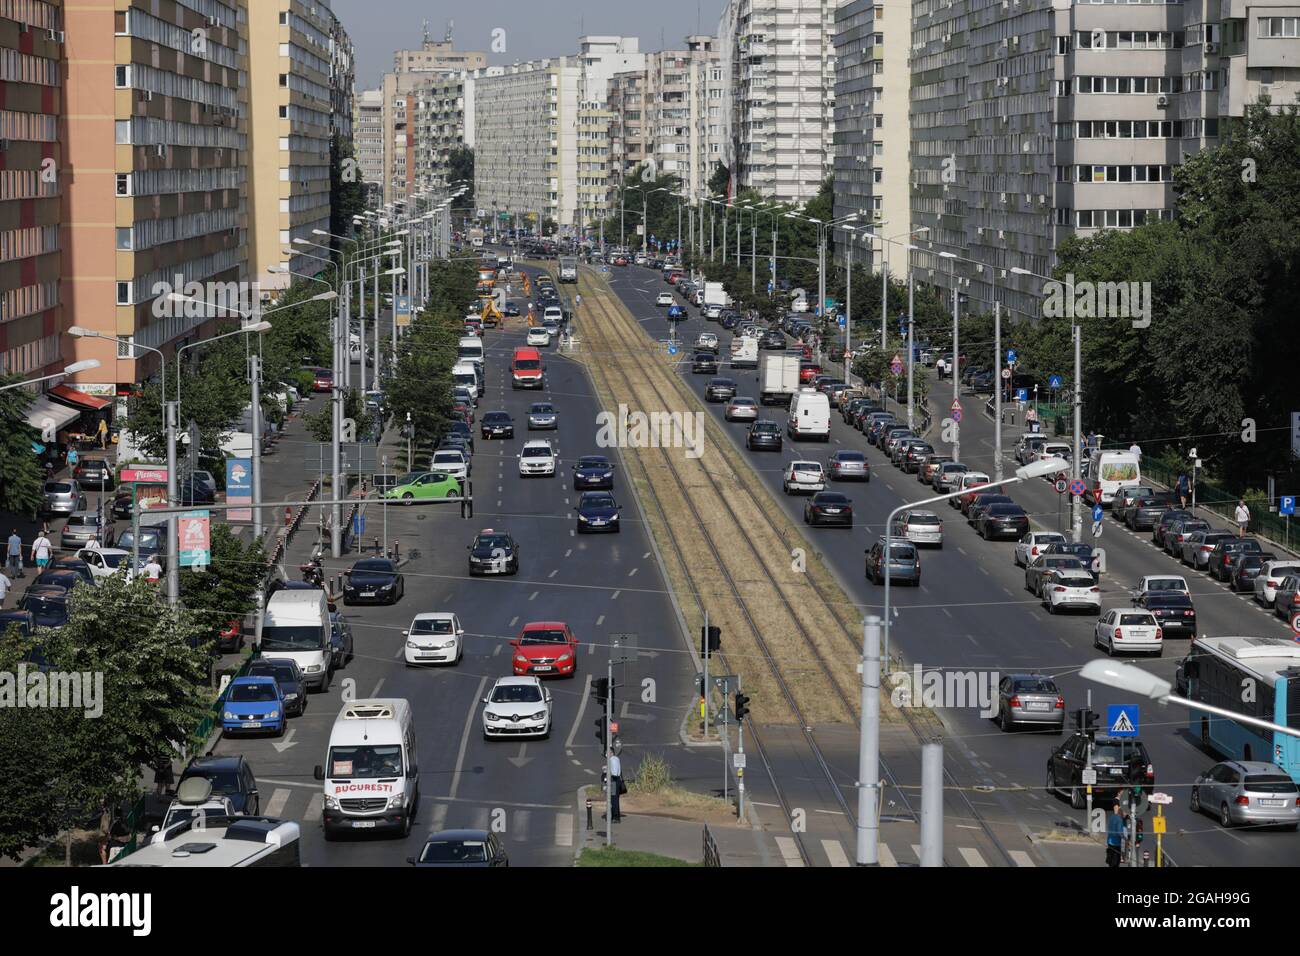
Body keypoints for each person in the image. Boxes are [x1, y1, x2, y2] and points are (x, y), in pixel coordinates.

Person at [1105, 802, 1124, 867]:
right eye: (1125, 812)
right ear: (1121, 812)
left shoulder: (1112, 817)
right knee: (1115, 862)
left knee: (1110, 861)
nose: (1126, 814)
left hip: (1109, 841)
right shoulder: (1119, 820)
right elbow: (1119, 832)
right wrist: (1125, 839)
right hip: (1116, 843)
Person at [608, 751, 624, 823]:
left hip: (614, 780)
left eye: (607, 752)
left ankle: (615, 817)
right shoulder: (617, 758)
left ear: (611, 752)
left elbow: (614, 772)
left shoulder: (612, 759)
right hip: (617, 781)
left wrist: (609, 773)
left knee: (613, 800)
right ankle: (616, 816)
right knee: (615, 799)